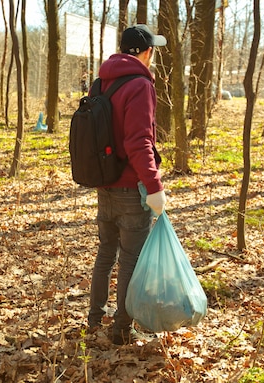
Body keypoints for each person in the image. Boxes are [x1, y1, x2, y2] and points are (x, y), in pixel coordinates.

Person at [87, 24, 167, 345]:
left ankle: (95, 319)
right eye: (153, 50)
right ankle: (121, 330)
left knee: (106, 253)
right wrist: (155, 186)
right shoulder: (140, 86)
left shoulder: (100, 83)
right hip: (131, 190)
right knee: (130, 259)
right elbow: (139, 142)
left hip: (104, 185)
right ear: (145, 52)